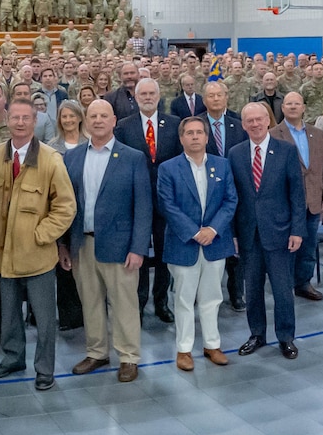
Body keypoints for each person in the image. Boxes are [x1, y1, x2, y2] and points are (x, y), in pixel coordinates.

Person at [0, 99, 77, 391]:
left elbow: (65, 207)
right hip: (3, 254)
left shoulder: (51, 159)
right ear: (8, 120)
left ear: (35, 120)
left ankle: (44, 368)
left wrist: (41, 235)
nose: (21, 122)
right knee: (9, 314)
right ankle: (13, 358)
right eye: (15, 117)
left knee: (45, 319)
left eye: (26, 117)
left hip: (37, 256)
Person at [58, 99, 151, 382]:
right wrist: (63, 244)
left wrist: (138, 248)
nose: (98, 120)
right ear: (86, 120)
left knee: (124, 303)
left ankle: (128, 356)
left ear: (114, 121)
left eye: (104, 115)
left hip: (121, 246)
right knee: (91, 302)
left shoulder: (133, 157)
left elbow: (144, 206)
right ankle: (97, 351)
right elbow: (64, 204)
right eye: (93, 115)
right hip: (81, 245)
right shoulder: (71, 158)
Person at [228, 102, 305, 361]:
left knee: (283, 290)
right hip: (248, 234)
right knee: (253, 290)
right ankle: (257, 335)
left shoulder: (286, 151)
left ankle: (286, 337)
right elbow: (232, 198)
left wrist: (297, 229)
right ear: (243, 125)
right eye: (249, 121)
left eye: (259, 119)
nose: (255, 124)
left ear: (268, 120)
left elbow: (296, 193)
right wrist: (234, 234)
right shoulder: (235, 154)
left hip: (281, 233)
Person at [157, 117, 235, 371]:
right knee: (183, 299)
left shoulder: (222, 166)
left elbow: (230, 201)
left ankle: (212, 344)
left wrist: (212, 229)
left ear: (207, 136)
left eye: (199, 132)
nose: (194, 137)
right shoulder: (168, 168)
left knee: (212, 298)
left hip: (215, 242)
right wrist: (194, 232)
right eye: (189, 133)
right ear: (181, 138)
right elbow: (167, 205)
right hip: (184, 244)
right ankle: (184, 349)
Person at [113, 77, 181, 324]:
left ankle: (161, 301)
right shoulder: (123, 126)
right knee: (138, 254)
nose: (148, 97)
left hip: (166, 202)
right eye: (143, 94)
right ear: (136, 97)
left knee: (164, 254)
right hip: (135, 203)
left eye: (152, 93)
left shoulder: (175, 124)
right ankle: (139, 303)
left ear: (159, 95)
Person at [271, 92, 323, 301]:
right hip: (286, 203)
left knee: (308, 246)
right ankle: (283, 285)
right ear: (282, 108)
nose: (292, 107)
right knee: (286, 247)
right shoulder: (273, 134)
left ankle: (303, 283)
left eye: (296, 103)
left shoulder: (317, 134)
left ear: (304, 107)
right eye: (288, 103)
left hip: (314, 201)